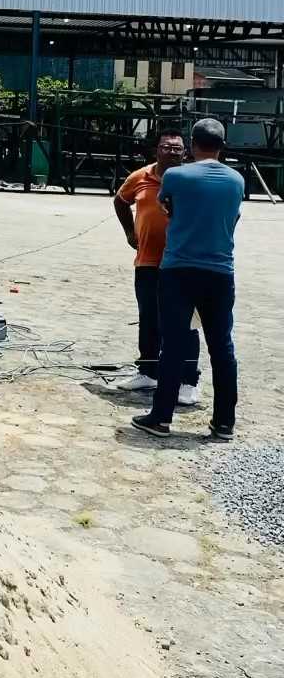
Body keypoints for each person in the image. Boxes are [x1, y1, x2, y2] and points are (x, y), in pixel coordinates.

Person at [132, 118, 244, 440]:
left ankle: (161, 418)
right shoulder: (236, 180)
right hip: (221, 272)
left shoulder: (176, 175)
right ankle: (224, 422)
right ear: (222, 145)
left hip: (179, 269)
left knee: (174, 344)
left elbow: (168, 207)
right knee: (222, 347)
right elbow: (233, 217)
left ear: (192, 144)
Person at [113, 131, 201, 404]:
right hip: (148, 261)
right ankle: (148, 372)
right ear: (156, 151)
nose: (172, 152)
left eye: (178, 148)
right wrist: (130, 232)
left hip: (182, 263)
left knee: (185, 323)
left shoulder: (193, 180)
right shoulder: (140, 177)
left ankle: (188, 381)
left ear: (185, 153)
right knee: (149, 317)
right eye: (167, 147)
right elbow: (120, 201)